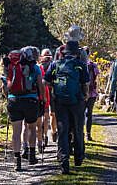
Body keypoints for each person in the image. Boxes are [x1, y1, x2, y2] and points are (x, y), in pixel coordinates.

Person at [44, 40, 90, 174]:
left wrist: (55, 89)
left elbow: (45, 81)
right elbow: (86, 84)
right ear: (77, 53)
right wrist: (85, 95)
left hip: (60, 102)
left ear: (64, 52)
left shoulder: (55, 64)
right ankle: (78, 158)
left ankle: (64, 161)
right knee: (77, 128)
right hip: (77, 102)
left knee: (63, 131)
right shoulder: (81, 65)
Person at [1, 47, 42, 171]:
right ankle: (32, 156)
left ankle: (17, 161)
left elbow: (5, 88)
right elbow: (40, 84)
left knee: (16, 132)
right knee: (31, 128)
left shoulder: (9, 67)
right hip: (30, 100)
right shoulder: (34, 67)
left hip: (14, 101)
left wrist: (8, 97)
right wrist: (42, 99)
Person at [37, 48, 55, 151]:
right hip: (48, 93)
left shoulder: (37, 67)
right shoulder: (53, 65)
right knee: (47, 115)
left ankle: (41, 138)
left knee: (41, 118)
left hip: (39, 95)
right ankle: (45, 136)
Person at [83, 47, 100, 141]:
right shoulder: (93, 65)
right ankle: (88, 134)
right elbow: (96, 76)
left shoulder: (79, 64)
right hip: (92, 92)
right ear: (89, 54)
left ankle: (79, 133)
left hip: (81, 92)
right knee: (89, 114)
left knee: (80, 114)